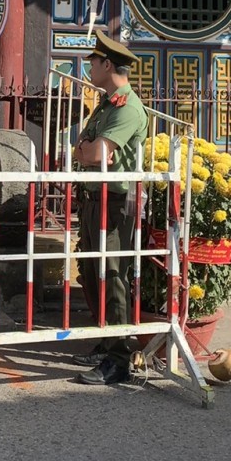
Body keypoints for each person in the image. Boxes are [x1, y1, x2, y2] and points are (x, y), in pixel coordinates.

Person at [72, 34, 148, 386]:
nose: (88, 67)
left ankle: (120, 359)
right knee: (92, 271)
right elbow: (81, 148)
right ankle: (107, 339)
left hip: (116, 203)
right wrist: (88, 150)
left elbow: (92, 154)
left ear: (107, 65)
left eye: (92, 61)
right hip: (92, 198)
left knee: (113, 274)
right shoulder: (106, 105)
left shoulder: (127, 108)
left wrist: (89, 150)